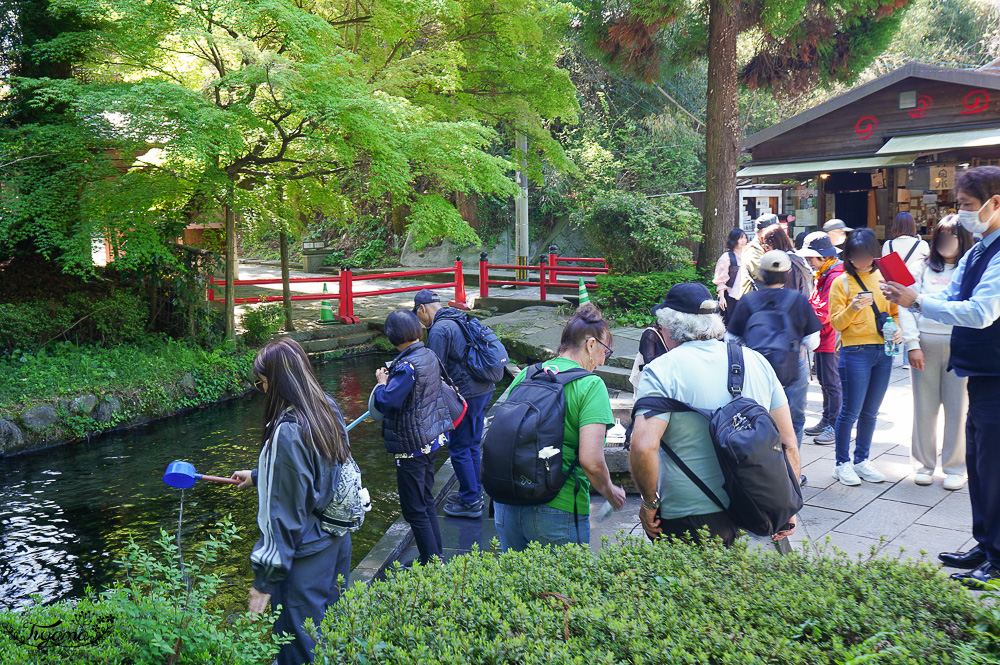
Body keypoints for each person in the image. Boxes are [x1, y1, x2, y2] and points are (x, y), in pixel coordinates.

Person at [882, 166, 1000, 589]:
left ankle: (998, 560)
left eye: (968, 206)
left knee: (993, 465)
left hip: (995, 370)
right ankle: (985, 544)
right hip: (980, 369)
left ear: (995, 202)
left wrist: (918, 301)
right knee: (981, 463)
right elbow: (950, 297)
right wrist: (910, 299)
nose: (963, 214)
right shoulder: (980, 249)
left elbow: (981, 312)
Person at [629, 282, 801, 545]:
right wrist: (788, 503)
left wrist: (649, 502)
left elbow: (642, 448)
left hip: (688, 514)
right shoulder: (756, 361)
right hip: (753, 507)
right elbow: (788, 443)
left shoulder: (661, 370)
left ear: (668, 326)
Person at [231, 338, 352, 665]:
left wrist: (263, 582)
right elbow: (323, 471)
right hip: (336, 540)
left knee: (298, 649)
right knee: (331, 632)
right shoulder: (325, 405)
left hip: (305, 557)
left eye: (262, 382)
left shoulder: (287, 428)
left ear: (277, 380)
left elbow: (283, 519)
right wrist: (260, 475)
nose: (261, 388)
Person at [493, 305, 626, 551]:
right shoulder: (590, 385)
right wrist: (609, 491)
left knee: (517, 587)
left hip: (507, 503)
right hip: (558, 507)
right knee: (562, 589)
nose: (602, 360)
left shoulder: (528, 374)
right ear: (591, 345)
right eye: (605, 351)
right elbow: (591, 460)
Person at [897, 215, 971, 490]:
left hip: (960, 344)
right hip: (925, 344)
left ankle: (955, 467)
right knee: (924, 408)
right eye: (940, 236)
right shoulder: (922, 267)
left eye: (951, 236)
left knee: (958, 408)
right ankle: (923, 464)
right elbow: (905, 304)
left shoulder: (970, 268)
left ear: (962, 239)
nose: (945, 242)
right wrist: (913, 344)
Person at [374, 309, 453, 565]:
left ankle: (431, 563)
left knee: (414, 509)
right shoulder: (427, 354)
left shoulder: (406, 365)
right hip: (432, 438)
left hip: (413, 446)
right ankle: (435, 555)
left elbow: (387, 401)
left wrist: (382, 382)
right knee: (425, 500)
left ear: (393, 337)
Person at [727, 251, 821, 454]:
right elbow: (813, 342)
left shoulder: (748, 301)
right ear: (788, 273)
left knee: (756, 418)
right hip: (792, 369)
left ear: (762, 273)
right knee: (794, 419)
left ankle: (763, 469)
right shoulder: (798, 300)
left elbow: (730, 340)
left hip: (755, 369)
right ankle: (792, 471)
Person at [828, 228, 901, 487]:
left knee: (871, 412)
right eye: (856, 256)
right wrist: (852, 307)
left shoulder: (885, 277)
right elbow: (836, 323)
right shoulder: (841, 282)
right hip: (855, 351)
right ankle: (842, 463)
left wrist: (898, 328)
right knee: (850, 411)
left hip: (884, 350)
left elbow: (894, 311)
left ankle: (862, 459)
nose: (862, 261)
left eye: (867, 255)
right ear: (848, 256)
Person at [413, 289, 494, 519]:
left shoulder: (439, 329)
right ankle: (474, 491)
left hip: (467, 394)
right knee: (472, 444)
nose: (420, 321)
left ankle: (470, 502)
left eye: (418, 315)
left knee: (459, 447)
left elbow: (433, 369)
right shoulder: (457, 316)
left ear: (422, 309)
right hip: (484, 387)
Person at [798, 231, 844, 445]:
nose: (809, 262)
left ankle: (835, 425)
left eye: (811, 258)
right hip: (823, 335)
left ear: (823, 257)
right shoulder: (827, 272)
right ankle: (827, 419)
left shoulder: (834, 276)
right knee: (825, 381)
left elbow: (824, 311)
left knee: (832, 382)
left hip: (830, 336)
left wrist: (802, 320)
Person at [761, 223, 814, 298]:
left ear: (775, 243)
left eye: (767, 246)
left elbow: (788, 294)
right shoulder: (796, 257)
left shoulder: (787, 262)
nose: (766, 250)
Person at [714, 228, 747, 325]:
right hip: (731, 296)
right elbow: (721, 279)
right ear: (734, 239)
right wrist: (722, 297)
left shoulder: (749, 255)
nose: (743, 241)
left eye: (745, 238)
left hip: (746, 296)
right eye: (740, 238)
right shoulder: (727, 257)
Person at [736, 215, 774, 296]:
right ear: (764, 231)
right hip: (755, 302)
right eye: (775, 231)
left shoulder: (765, 247)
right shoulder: (752, 250)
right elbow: (762, 274)